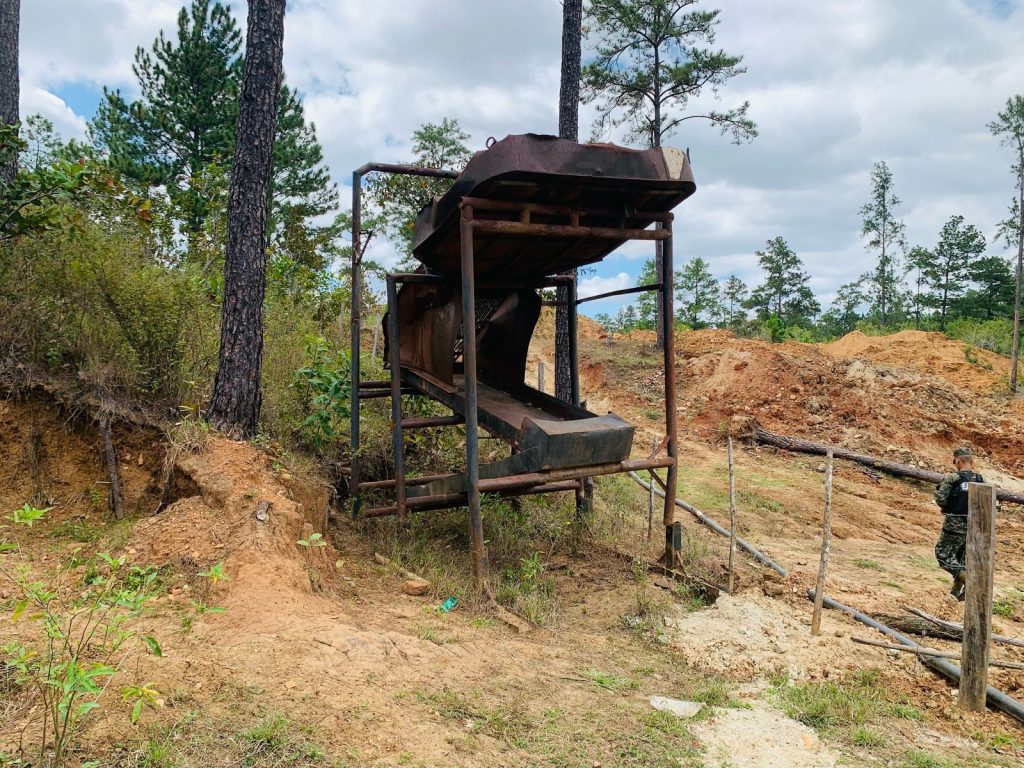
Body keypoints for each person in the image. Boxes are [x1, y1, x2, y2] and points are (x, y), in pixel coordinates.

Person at [934, 446, 984, 601]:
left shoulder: (953, 478)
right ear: (971, 461)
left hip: (954, 523)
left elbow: (941, 499)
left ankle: (970, 582)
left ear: (958, 461)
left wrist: (946, 505)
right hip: (973, 526)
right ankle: (955, 593)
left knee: (943, 555)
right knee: (961, 558)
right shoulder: (980, 479)